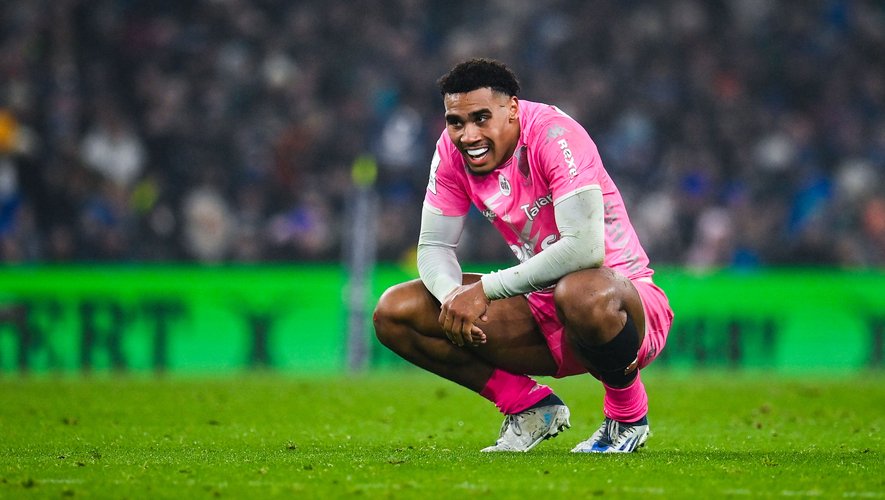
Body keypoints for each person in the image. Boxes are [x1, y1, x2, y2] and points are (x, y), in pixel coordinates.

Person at [373, 58, 673, 453]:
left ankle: (626, 416)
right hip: (541, 307)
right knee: (395, 311)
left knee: (581, 291)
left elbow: (584, 249)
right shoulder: (450, 151)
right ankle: (529, 407)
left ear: (512, 108)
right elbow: (434, 246)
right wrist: (452, 298)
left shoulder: (555, 135)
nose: (468, 135)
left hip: (624, 306)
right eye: (456, 122)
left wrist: (485, 290)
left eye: (481, 118)